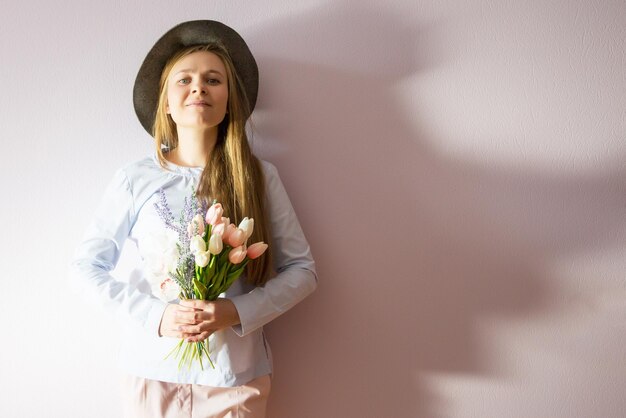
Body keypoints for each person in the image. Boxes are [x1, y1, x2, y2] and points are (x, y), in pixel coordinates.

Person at [69, 20, 317, 417]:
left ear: (230, 100)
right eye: (184, 79)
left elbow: (302, 271)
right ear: (164, 102)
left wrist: (235, 312)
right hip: (152, 374)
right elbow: (86, 267)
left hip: (235, 379)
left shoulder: (258, 177)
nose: (199, 87)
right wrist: (158, 316)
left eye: (213, 79)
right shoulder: (136, 179)